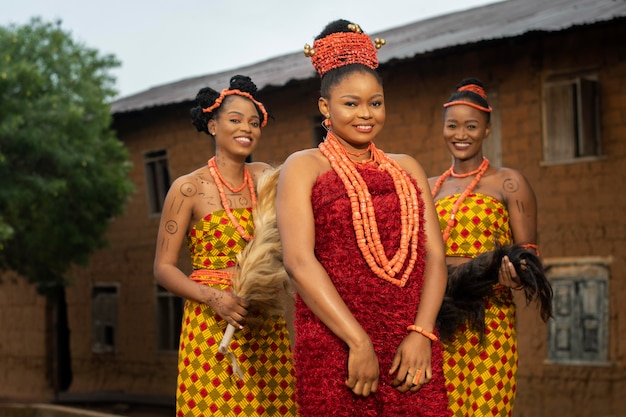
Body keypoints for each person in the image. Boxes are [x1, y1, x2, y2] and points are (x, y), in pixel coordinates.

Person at [276, 19, 449, 416]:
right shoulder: (304, 166)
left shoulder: (408, 168)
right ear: (325, 106)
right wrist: (358, 341)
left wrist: (422, 333)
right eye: (350, 103)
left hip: (411, 346)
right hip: (336, 343)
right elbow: (299, 262)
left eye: (376, 102)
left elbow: (434, 257)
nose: (365, 114)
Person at [153, 75, 297, 416]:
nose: (246, 128)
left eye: (254, 122)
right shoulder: (188, 188)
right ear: (213, 126)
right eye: (235, 120)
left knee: (273, 406)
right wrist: (214, 297)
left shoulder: (266, 178)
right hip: (210, 322)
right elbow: (163, 268)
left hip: (264, 317)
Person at [429, 78, 551, 417]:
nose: (461, 134)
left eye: (471, 126)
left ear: (487, 130)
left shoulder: (509, 183)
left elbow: (528, 256)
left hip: (491, 319)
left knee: (486, 408)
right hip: (439, 317)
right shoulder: (427, 188)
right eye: (452, 125)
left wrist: (517, 276)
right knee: (439, 407)